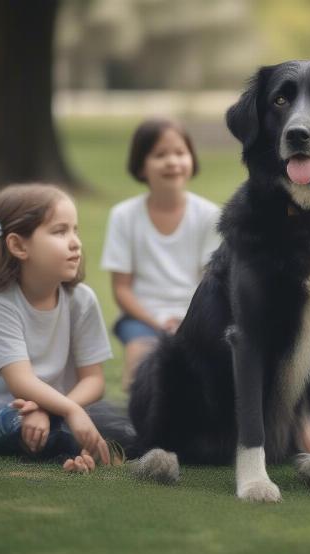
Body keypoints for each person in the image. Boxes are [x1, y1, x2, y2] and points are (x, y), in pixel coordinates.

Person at [0, 183, 113, 473]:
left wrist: (55, 409)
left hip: (49, 409)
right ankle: (68, 447)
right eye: (60, 231)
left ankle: (73, 455)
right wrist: (69, 411)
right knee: (25, 422)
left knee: (95, 420)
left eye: (76, 230)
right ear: (18, 245)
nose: (75, 242)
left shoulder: (81, 301)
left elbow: (94, 380)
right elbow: (21, 383)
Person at [101, 118, 221, 390]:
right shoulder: (123, 216)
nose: (172, 162)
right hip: (142, 319)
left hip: (195, 316)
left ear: (191, 159)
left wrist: (185, 321)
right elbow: (121, 289)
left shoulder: (209, 215)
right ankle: (139, 423)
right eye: (160, 155)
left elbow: (210, 284)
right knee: (139, 359)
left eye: (180, 153)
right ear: (141, 165)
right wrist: (156, 322)